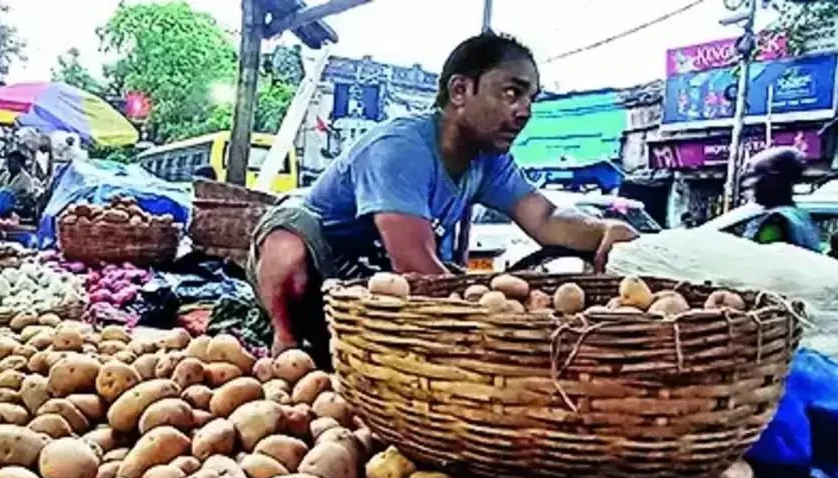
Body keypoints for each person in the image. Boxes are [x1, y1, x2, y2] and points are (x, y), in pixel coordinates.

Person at [249, 33, 639, 364]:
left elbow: (546, 218)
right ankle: (285, 342)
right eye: (512, 92)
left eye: (531, 98)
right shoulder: (400, 147)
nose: (525, 111)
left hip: (364, 281)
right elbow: (415, 265)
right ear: (459, 91)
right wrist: (491, 321)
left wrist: (602, 230)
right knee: (290, 235)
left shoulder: (488, 160)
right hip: (319, 266)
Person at [740, 146, 824, 252]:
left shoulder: (776, 221)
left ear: (775, 182)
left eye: (760, 181)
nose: (754, 187)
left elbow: (761, 256)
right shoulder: (800, 216)